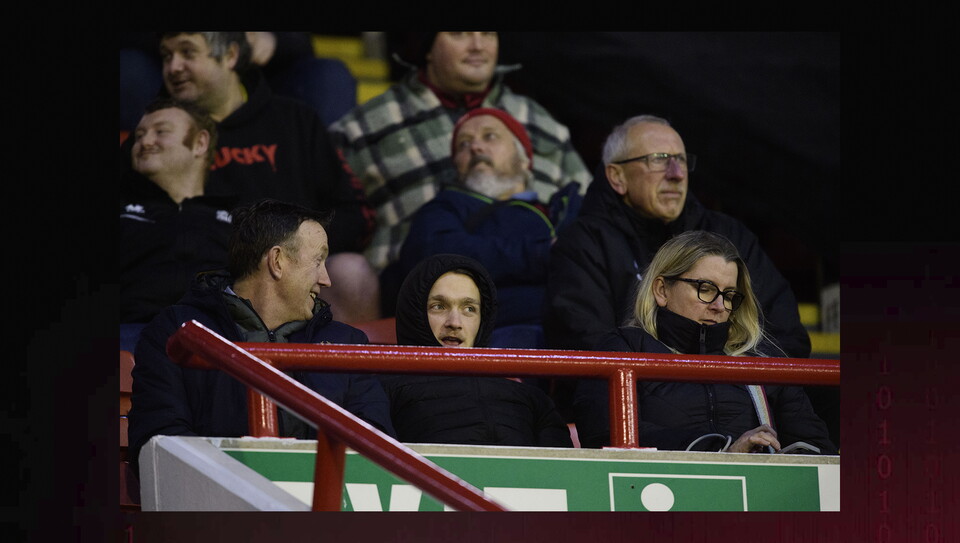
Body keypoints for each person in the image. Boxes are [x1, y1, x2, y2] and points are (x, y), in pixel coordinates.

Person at [119, 32, 379, 323]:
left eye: (188, 53)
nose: (173, 67)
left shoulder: (296, 120)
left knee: (351, 272)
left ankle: (351, 366)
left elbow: (355, 214)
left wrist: (294, 251)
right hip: (197, 281)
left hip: (292, 268)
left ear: (230, 56)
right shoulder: (149, 143)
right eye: (167, 56)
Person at [329, 32, 592, 310]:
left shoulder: (542, 122)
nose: (478, 46)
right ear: (427, 47)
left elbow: (592, 213)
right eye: (460, 33)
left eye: (487, 34)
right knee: (346, 271)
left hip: (546, 292)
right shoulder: (362, 127)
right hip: (416, 297)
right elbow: (333, 221)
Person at [127, 199, 396, 466]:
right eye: (318, 260)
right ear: (277, 261)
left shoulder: (346, 342)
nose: (326, 279)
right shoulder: (177, 332)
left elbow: (375, 447)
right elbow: (159, 443)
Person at [544, 114, 810, 359]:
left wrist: (721, 387)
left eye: (681, 160)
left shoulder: (731, 236)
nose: (677, 174)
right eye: (658, 159)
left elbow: (787, 339)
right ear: (617, 176)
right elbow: (589, 347)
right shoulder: (582, 244)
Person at [573, 230, 837, 454]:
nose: (720, 306)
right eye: (706, 289)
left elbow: (815, 447)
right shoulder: (621, 349)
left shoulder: (764, 361)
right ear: (662, 290)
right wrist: (724, 450)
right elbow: (603, 437)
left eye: (730, 294)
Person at [397, 107, 581, 328]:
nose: (475, 147)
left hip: (577, 327)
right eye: (463, 144)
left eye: (489, 136)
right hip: (500, 333)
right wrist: (544, 253)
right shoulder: (445, 207)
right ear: (457, 167)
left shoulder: (564, 209)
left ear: (524, 159)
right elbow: (436, 257)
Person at [380, 253, 572, 447]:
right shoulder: (381, 393)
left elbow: (564, 471)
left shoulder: (531, 400)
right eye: (438, 306)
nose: (454, 323)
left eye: (469, 309)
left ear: (483, 319)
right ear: (414, 313)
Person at [121, 98, 236, 324]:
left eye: (161, 131)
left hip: (221, 340)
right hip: (129, 337)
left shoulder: (242, 220)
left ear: (200, 143)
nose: (145, 142)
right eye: (139, 135)